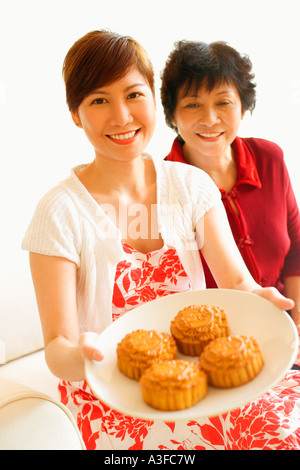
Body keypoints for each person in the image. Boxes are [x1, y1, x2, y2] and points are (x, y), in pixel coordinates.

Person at [22, 30, 299, 450]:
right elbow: (58, 349)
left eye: (133, 94)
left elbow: (237, 284)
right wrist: (86, 353)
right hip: (111, 394)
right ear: (75, 114)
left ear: (153, 100)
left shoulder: (190, 185)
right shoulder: (58, 212)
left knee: (284, 432)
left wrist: (263, 299)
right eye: (99, 100)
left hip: (197, 376)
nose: (121, 116)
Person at [161, 39, 300, 334]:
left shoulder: (269, 159)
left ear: (243, 106)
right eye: (192, 104)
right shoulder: (159, 188)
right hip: (210, 338)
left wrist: (298, 327)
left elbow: (296, 254)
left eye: (223, 102)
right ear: (172, 115)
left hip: (284, 324)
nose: (210, 119)